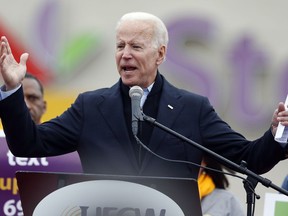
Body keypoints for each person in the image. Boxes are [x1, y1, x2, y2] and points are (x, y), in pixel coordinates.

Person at [0, 12, 287, 180]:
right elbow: (28, 144)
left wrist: (277, 132)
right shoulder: (89, 106)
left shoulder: (192, 109)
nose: (125, 54)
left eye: (136, 46)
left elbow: (249, 160)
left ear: (160, 53)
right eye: (120, 45)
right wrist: (12, 90)